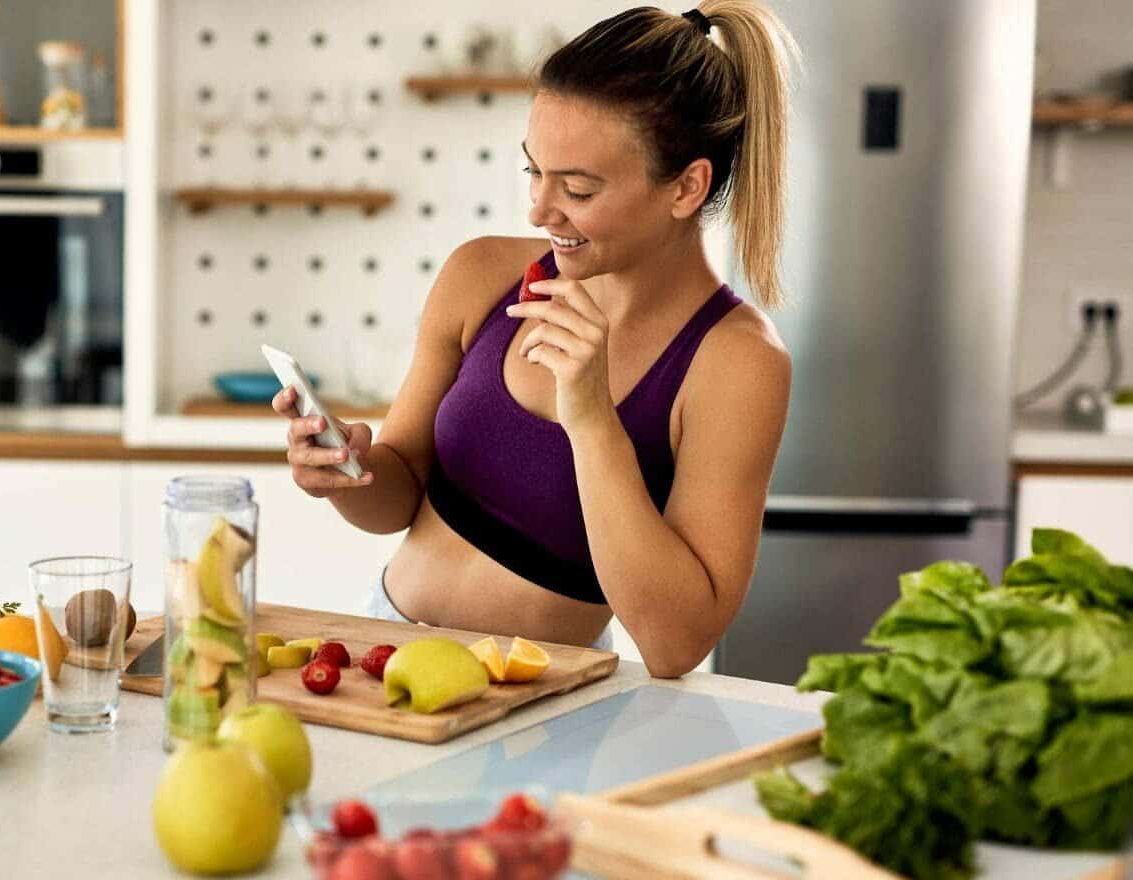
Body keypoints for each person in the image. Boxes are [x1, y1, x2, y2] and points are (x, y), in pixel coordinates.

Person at [272, 2, 798, 678]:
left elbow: (676, 644)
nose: (540, 210)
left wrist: (589, 416)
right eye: (533, 171)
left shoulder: (735, 362)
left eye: (577, 188)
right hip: (383, 655)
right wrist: (344, 472)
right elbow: (397, 499)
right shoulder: (481, 276)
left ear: (687, 187)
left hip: (544, 697)